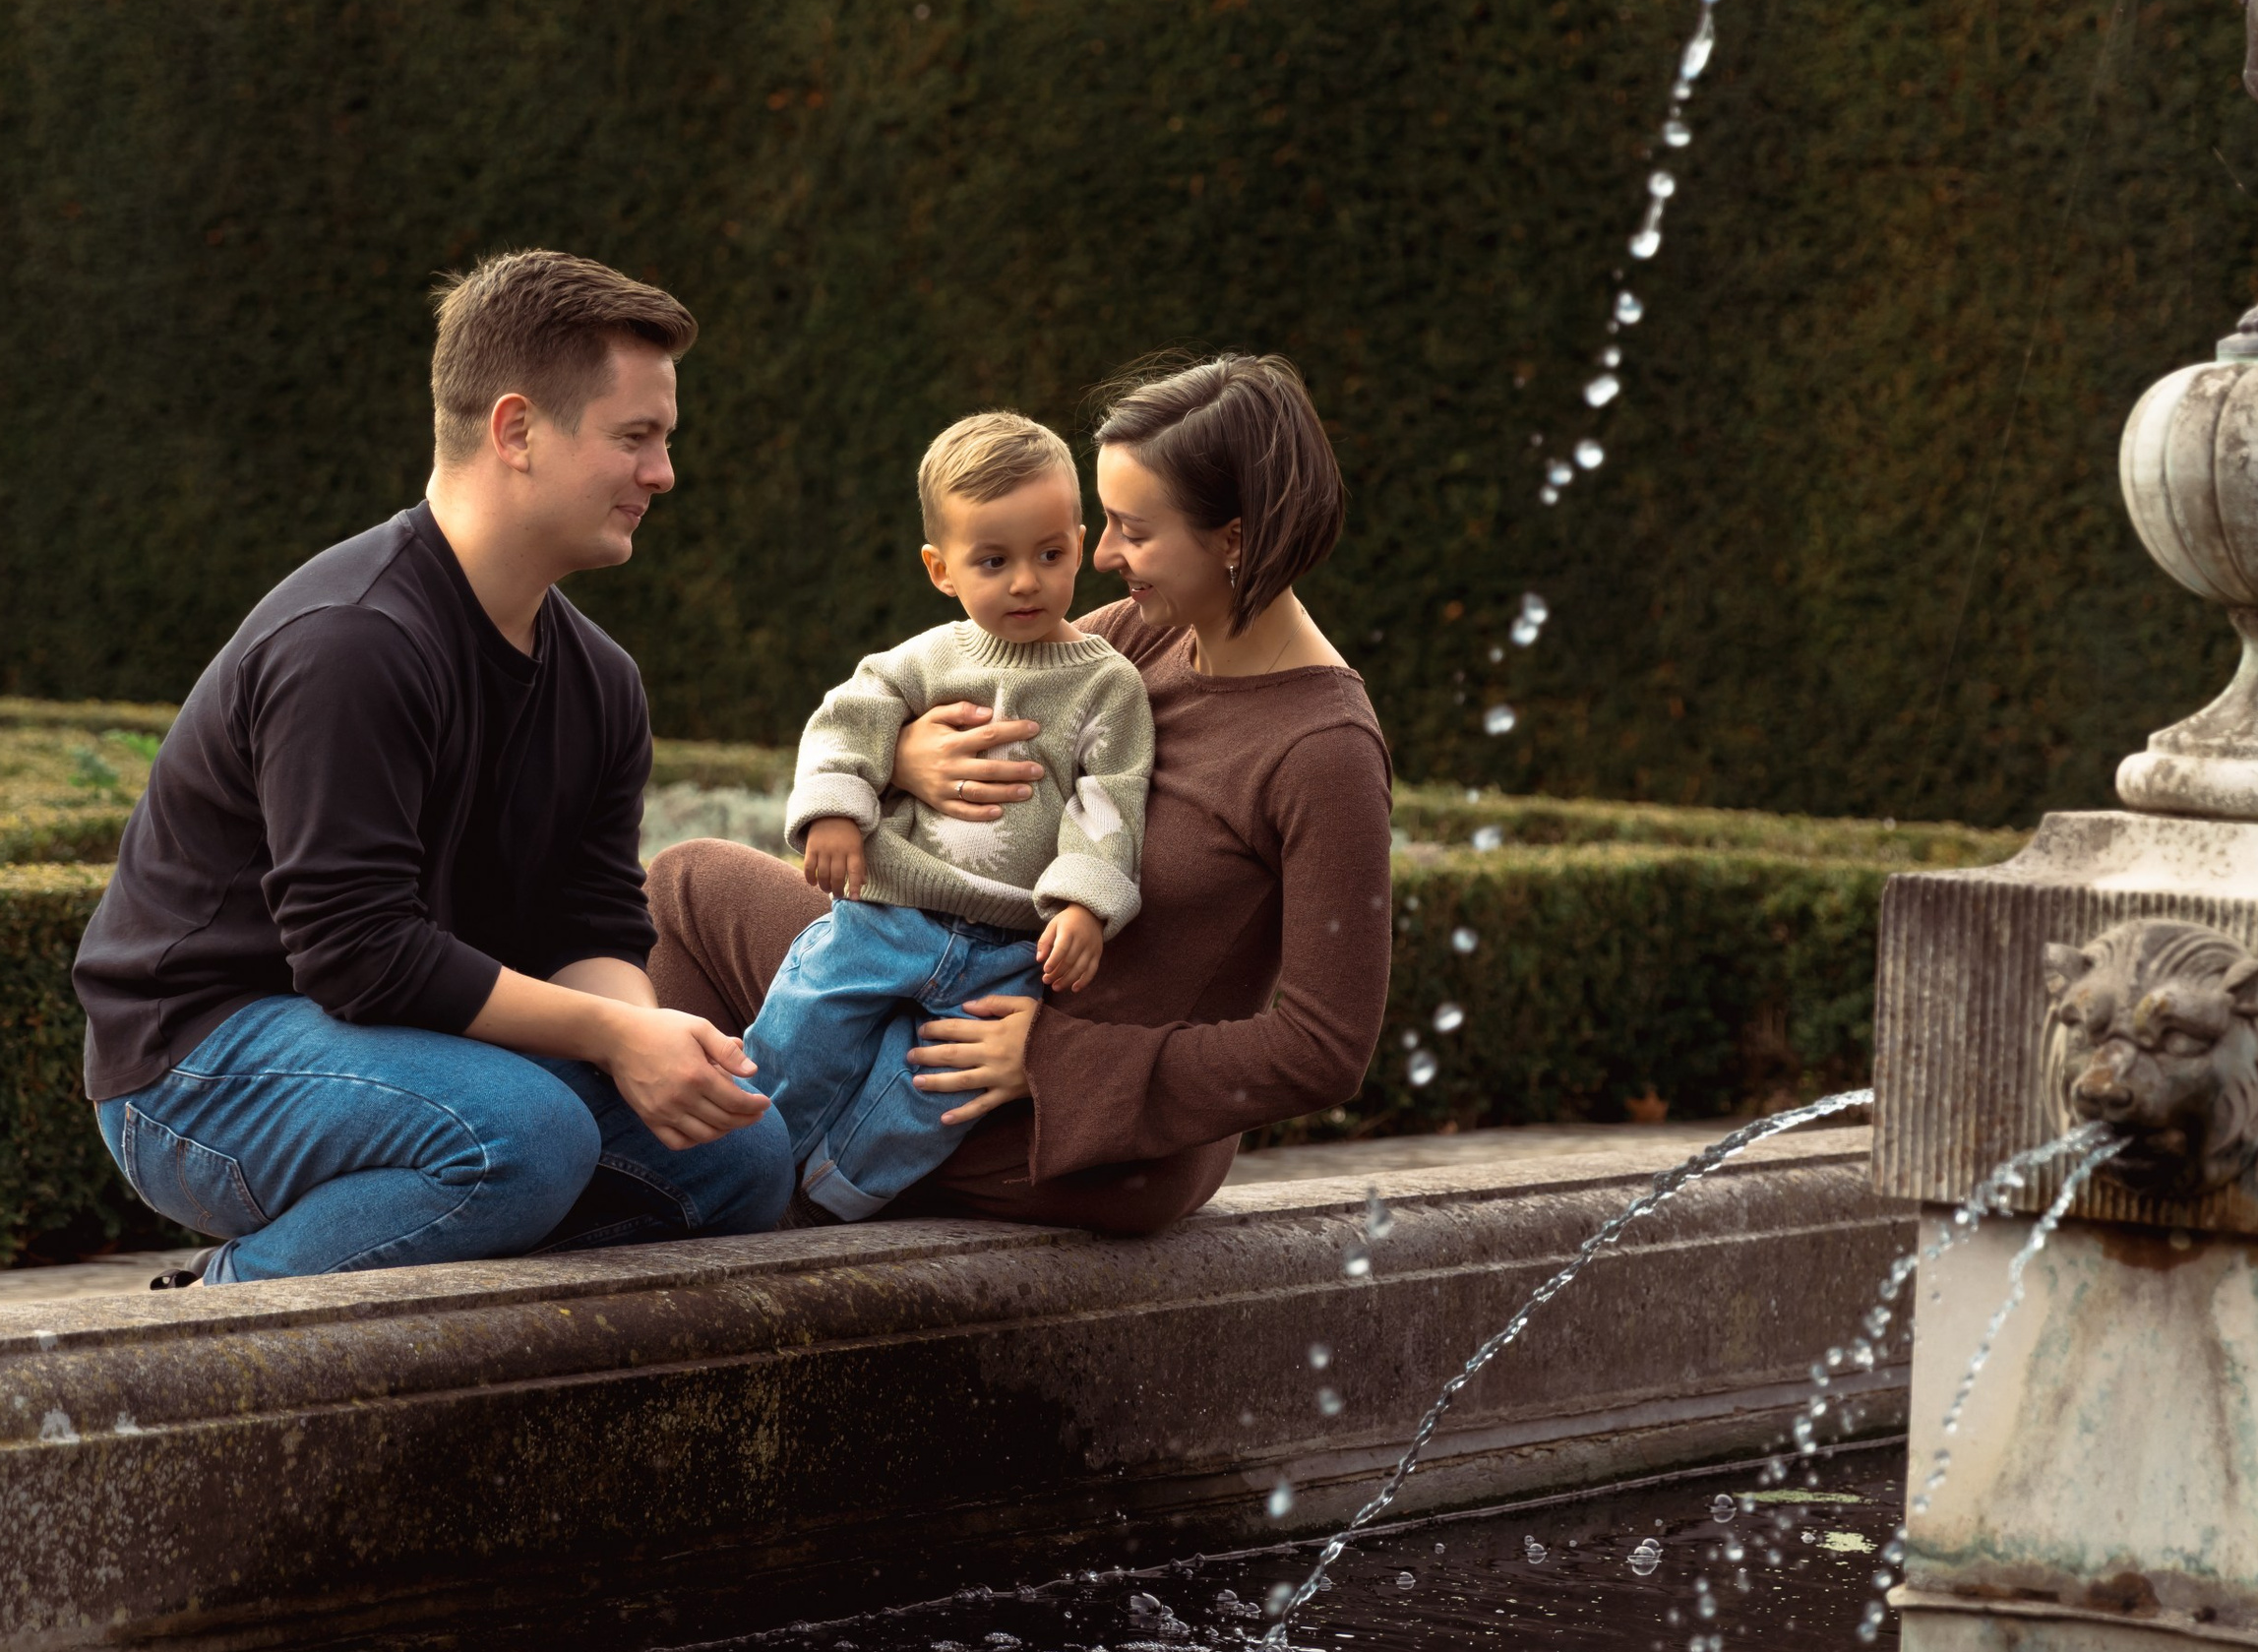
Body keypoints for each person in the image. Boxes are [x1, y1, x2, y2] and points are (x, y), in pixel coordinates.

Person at [72, 250, 794, 1282]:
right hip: (194, 1070)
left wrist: (655, 1048)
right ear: (515, 430)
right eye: (636, 438)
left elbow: (589, 925)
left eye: (664, 441)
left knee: (738, 1156)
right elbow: (356, 951)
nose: (663, 474)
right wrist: (609, 1039)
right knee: (522, 1137)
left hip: (412, 1048)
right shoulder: (353, 643)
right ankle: (221, 1315)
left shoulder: (601, 681)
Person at [650, 352, 1393, 1237]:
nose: (1104, 554)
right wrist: (904, 761)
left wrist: (1049, 1057)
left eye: (1132, 529)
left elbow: (1326, 1048)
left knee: (785, 1039)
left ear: (1233, 539)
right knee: (687, 882)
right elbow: (957, 679)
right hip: (944, 999)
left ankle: (696, 1198)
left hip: (1080, 1133)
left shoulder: (1324, 752)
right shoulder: (1134, 638)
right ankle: (688, 1168)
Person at [750, 409, 1154, 1219]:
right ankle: (740, 1167)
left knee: (932, 1093)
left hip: (1006, 949)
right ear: (941, 569)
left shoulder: (1107, 685)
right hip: (886, 914)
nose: (1025, 582)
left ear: (1079, 542)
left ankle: (823, 1204)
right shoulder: (922, 661)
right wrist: (835, 812)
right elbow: (846, 720)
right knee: (804, 1026)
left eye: (1050, 554)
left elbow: (1108, 797)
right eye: (993, 561)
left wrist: (1083, 902)